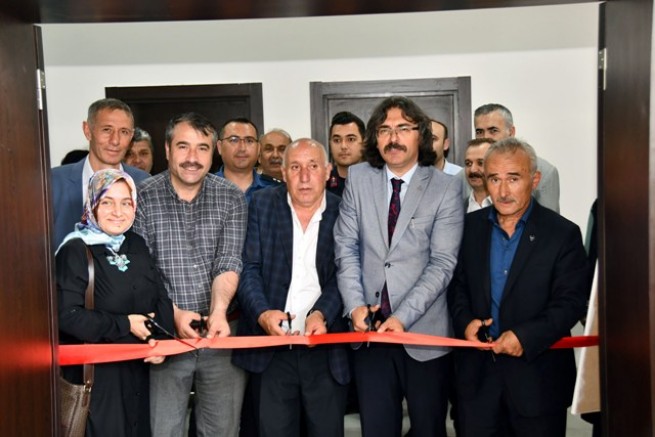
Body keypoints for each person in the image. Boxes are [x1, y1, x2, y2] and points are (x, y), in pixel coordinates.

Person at [334, 96, 464, 437]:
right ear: (375, 138)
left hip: (424, 334)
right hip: (369, 332)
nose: (393, 138)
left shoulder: (446, 187)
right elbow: (346, 248)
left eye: (403, 128)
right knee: (376, 429)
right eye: (385, 129)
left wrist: (402, 317)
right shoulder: (359, 178)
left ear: (420, 134)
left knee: (428, 429)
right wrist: (354, 306)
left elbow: (442, 263)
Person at [448, 137, 588, 437]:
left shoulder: (562, 234)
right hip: (477, 383)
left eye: (513, 179)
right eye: (494, 179)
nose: (503, 191)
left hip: (538, 382)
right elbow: (456, 286)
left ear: (534, 180)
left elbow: (571, 302)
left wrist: (525, 336)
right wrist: (465, 322)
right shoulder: (468, 228)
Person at [132, 112, 248, 436]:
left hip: (222, 332)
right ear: (167, 149)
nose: (192, 158)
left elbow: (228, 259)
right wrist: (173, 315)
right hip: (164, 333)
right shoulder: (142, 196)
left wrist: (218, 312)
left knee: (222, 430)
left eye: (202, 148)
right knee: (163, 429)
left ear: (214, 153)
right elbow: (142, 271)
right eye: (183, 146)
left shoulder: (232, 197)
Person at [233, 138, 350, 437]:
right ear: (283, 173)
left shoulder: (345, 211)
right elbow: (249, 268)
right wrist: (262, 314)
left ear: (327, 171)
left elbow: (347, 273)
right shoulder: (261, 204)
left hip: (324, 347)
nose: (305, 176)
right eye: (295, 167)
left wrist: (322, 313)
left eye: (313, 166)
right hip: (272, 347)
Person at [57, 169, 174, 437]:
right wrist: (125, 324)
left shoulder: (136, 243)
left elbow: (161, 297)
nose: (118, 212)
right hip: (98, 380)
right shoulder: (75, 250)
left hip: (138, 373)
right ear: (92, 205)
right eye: (107, 202)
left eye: (126, 202)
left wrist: (162, 341)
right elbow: (67, 316)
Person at [51, 98, 150, 249]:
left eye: (124, 132)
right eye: (107, 130)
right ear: (87, 130)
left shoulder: (144, 183)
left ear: (131, 136)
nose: (115, 140)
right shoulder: (53, 182)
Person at [473, 103, 560, 212]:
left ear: (511, 132)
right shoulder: (467, 175)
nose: (485, 137)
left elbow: (548, 220)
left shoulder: (545, 172)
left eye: (493, 131)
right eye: (479, 132)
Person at [216, 118, 281, 203]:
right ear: (220, 147)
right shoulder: (203, 189)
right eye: (234, 140)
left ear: (258, 148)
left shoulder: (278, 192)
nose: (242, 148)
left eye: (249, 141)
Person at [326, 111, 365, 197]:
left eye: (350, 139)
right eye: (337, 140)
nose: (343, 146)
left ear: (364, 143)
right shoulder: (323, 183)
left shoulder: (378, 180)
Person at [464, 137, 495, 212]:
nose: (473, 170)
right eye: (468, 163)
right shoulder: (456, 208)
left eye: (480, 163)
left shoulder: (509, 206)